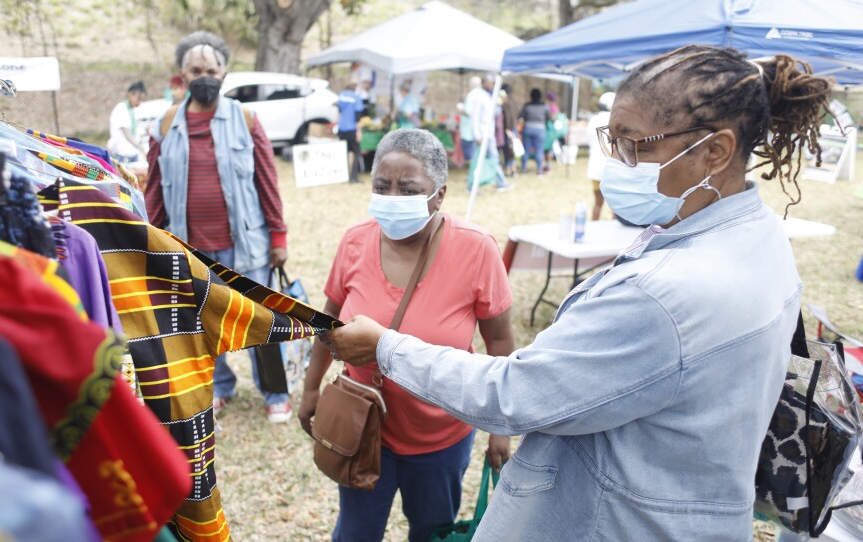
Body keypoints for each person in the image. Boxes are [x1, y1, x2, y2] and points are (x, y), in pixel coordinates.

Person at [324, 45, 832, 540]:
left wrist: (386, 347)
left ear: (715, 152)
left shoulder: (664, 295)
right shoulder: (760, 234)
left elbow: (514, 394)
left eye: (637, 145)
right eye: (612, 140)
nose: (617, 161)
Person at [299, 128, 515, 542]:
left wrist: (499, 426)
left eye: (408, 188)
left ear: (440, 194)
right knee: (356, 532)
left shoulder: (476, 249)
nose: (393, 198)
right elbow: (326, 324)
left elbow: (501, 343)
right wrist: (310, 391)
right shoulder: (355, 243)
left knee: (431, 530)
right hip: (363, 428)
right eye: (382, 186)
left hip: (441, 436)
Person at [145, 31, 292, 423]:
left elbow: (267, 181)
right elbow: (155, 189)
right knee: (202, 322)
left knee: (260, 319)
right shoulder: (165, 124)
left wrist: (278, 235)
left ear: (225, 73)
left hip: (246, 246)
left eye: (212, 69)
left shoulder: (246, 119)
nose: (204, 76)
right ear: (182, 73)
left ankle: (275, 391)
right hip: (189, 247)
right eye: (196, 70)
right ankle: (221, 386)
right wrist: (149, 237)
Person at [467, 74, 512, 192]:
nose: (492, 85)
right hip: (482, 135)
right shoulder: (479, 97)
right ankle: (472, 185)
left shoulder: (489, 97)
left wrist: (499, 105)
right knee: (479, 160)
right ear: (484, 83)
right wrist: (477, 135)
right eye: (490, 82)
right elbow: (475, 117)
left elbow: (491, 115)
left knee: (493, 158)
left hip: (489, 134)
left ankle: (500, 183)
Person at [585, 91, 615, 220]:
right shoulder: (616, 120)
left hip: (595, 167)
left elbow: (588, 140)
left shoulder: (593, 119)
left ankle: (594, 227)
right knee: (616, 207)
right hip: (612, 168)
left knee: (597, 204)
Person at [107, 80, 146, 163]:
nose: (139, 102)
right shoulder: (121, 109)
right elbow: (128, 135)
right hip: (121, 155)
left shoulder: (132, 110)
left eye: (142, 99)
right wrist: (141, 148)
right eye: (138, 99)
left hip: (131, 154)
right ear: (129, 94)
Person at [336, 82, 364, 183]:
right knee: (356, 153)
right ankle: (353, 177)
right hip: (351, 129)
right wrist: (359, 132)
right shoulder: (356, 98)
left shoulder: (341, 96)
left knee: (344, 153)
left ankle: (343, 175)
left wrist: (336, 126)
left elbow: (339, 112)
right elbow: (357, 117)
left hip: (341, 128)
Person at [518, 88, 548, 175]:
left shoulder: (527, 105)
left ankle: (523, 169)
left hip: (528, 128)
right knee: (539, 150)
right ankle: (539, 170)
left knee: (526, 150)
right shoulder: (544, 105)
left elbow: (520, 116)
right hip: (540, 129)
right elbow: (548, 117)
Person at [500, 84, 518, 177]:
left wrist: (507, 128)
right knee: (512, 150)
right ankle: (513, 170)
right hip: (514, 128)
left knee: (508, 150)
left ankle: (508, 170)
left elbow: (508, 116)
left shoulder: (506, 102)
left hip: (509, 129)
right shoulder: (514, 101)